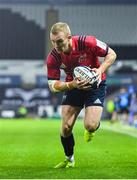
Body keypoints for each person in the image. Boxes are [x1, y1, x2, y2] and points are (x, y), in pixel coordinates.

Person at [46, 22, 116, 168]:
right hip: (73, 86)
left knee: (90, 125)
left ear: (69, 37)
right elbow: (53, 85)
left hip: (95, 85)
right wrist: (72, 85)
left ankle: (93, 128)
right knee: (65, 127)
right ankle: (69, 159)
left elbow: (111, 54)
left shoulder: (87, 42)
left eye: (59, 41)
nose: (56, 46)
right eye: (53, 42)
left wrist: (100, 70)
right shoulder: (53, 57)